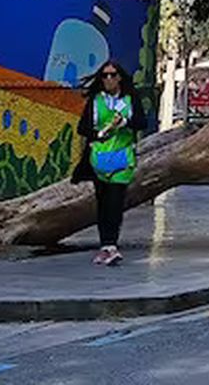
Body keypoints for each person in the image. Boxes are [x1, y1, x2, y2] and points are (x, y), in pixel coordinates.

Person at [73, 59, 145, 266]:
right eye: (105, 75)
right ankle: (105, 245)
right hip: (99, 159)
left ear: (120, 77)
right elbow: (82, 128)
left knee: (115, 202)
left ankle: (111, 245)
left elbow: (141, 122)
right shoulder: (96, 101)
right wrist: (98, 133)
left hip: (122, 158)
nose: (109, 79)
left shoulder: (130, 99)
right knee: (103, 203)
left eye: (113, 75)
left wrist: (125, 123)